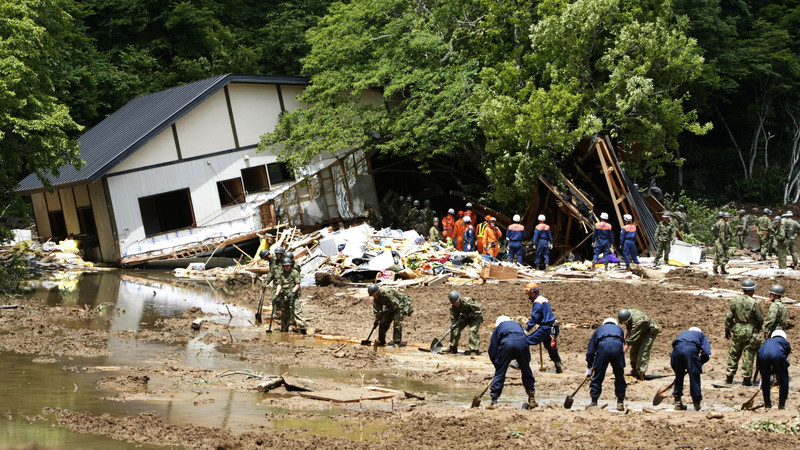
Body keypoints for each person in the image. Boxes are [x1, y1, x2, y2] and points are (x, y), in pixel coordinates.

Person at [487, 316, 537, 410]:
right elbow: (523, 342)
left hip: (507, 344)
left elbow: (493, 348)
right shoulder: (517, 325)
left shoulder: (498, 328)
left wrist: (498, 364)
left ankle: (494, 401)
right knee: (526, 371)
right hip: (522, 344)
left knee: (500, 373)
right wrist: (524, 363)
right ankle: (532, 399)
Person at [724, 279, 763, 385]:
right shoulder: (754, 303)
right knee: (749, 354)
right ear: (751, 291)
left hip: (737, 329)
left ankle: (729, 377)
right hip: (750, 330)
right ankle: (746, 379)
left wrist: (729, 328)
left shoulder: (735, 300)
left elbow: (729, 316)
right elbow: (760, 319)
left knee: (734, 353)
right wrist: (757, 328)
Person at [586, 317, 627, 411]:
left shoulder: (599, 330)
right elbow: (622, 343)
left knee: (598, 376)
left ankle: (594, 402)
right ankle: (620, 402)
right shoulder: (620, 329)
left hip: (603, 347)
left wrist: (590, 366)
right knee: (619, 375)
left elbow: (591, 351)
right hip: (617, 348)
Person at [523, 282, 563, 373]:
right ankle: (558, 364)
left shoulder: (537, 302)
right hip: (552, 327)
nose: (528, 296)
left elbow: (534, 318)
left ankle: (520, 362)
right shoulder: (543, 299)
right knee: (551, 347)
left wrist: (526, 330)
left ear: (534, 292)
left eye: (529, 294)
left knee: (525, 342)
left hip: (546, 328)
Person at [670, 327, 711, 411]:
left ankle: (678, 402)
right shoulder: (701, 335)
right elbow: (706, 353)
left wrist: (680, 369)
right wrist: (698, 364)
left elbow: (675, 345)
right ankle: (697, 404)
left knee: (679, 375)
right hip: (690, 350)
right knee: (694, 376)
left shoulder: (683, 333)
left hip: (676, 351)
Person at [618, 308, 660, 380]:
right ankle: (634, 371)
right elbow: (628, 329)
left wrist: (620, 356)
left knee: (643, 351)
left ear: (628, 319)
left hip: (650, 331)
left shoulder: (638, 322)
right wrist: (624, 339)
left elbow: (629, 342)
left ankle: (641, 374)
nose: (624, 324)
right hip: (641, 329)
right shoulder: (628, 314)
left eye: (625, 322)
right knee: (634, 349)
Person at [756, 330, 792, 410]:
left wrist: (761, 370)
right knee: (784, 379)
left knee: (765, 380)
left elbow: (759, 353)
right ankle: (781, 405)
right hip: (777, 356)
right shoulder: (784, 342)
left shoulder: (766, 342)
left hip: (762, 356)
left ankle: (767, 404)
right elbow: (785, 355)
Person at [446, 291, 483, 355]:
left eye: (457, 302)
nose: (456, 304)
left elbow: (478, 312)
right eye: (455, 303)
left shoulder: (468, 302)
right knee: (455, 329)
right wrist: (453, 325)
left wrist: (469, 314)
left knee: (473, 330)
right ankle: (453, 347)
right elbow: (454, 318)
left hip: (475, 318)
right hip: (464, 318)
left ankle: (474, 350)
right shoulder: (453, 307)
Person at [275, 257, 304, 333]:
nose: (287, 267)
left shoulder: (294, 272)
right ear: (283, 266)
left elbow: (298, 284)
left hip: (292, 295)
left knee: (297, 311)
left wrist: (292, 292)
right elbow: (279, 285)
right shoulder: (281, 274)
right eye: (285, 265)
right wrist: (276, 294)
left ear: (290, 265)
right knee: (284, 314)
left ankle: (302, 327)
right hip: (284, 295)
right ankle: (284, 329)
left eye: (288, 265)